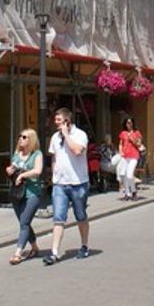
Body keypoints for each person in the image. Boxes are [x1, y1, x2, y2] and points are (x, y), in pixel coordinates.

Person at [43, 107, 91, 265]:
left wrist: (66, 135)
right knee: (58, 218)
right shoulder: (54, 137)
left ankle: (84, 245)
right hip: (60, 184)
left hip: (78, 183)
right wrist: (54, 175)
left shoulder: (80, 135)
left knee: (81, 216)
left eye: (58, 120)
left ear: (67, 121)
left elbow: (77, 151)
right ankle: (54, 252)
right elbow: (54, 156)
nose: (55, 123)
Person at [5, 129, 44, 264]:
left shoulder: (37, 154)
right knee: (24, 222)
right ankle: (34, 247)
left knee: (24, 223)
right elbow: (12, 168)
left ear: (31, 140)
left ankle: (18, 252)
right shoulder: (17, 154)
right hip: (17, 193)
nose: (21, 139)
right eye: (20, 136)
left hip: (32, 193)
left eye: (24, 137)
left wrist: (22, 175)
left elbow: (38, 171)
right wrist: (9, 171)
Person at [117, 117, 142, 201]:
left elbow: (139, 144)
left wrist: (132, 139)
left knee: (130, 174)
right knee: (124, 175)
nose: (129, 124)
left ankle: (134, 191)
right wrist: (120, 151)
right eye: (127, 122)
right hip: (125, 156)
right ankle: (127, 193)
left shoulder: (137, 132)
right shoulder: (123, 133)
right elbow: (120, 144)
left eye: (130, 122)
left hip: (134, 156)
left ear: (133, 123)